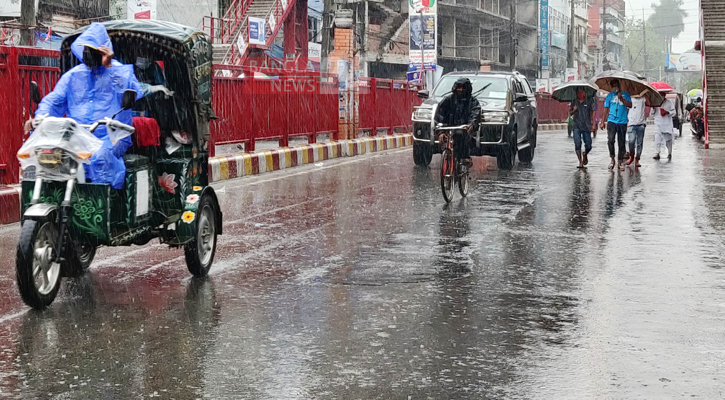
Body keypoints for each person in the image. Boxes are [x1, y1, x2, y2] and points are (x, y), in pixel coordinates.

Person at [25, 23, 170, 189]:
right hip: (76, 136)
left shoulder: (119, 71)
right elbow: (54, 100)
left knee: (99, 157)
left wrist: (109, 67)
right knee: (45, 156)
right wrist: (40, 118)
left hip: (111, 136)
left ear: (103, 51)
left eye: (92, 50)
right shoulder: (73, 76)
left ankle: (103, 205)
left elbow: (133, 93)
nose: (88, 54)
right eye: (85, 49)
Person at [434, 77, 481, 169]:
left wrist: (471, 125)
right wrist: (440, 132)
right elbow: (439, 115)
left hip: (464, 129)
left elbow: (475, 114)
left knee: (463, 139)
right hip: (448, 128)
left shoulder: (473, 102)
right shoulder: (447, 100)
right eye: (459, 87)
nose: (461, 90)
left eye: (463, 88)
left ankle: (465, 158)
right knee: (444, 142)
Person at [600, 79, 632, 171]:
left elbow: (630, 105)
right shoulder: (609, 96)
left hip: (622, 122)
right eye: (613, 86)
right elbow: (606, 108)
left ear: (619, 86)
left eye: (616, 86)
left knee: (621, 142)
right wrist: (602, 121)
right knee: (610, 140)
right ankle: (612, 159)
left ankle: (620, 161)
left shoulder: (626, 95)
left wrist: (621, 98)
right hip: (611, 121)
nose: (615, 88)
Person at [569, 87, 596, 168]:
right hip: (576, 125)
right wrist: (574, 110)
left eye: (582, 91)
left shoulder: (589, 101)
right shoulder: (574, 101)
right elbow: (570, 113)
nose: (581, 93)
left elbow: (592, 113)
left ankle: (585, 154)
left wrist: (594, 124)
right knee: (577, 143)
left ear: (585, 92)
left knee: (588, 145)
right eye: (579, 92)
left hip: (586, 125)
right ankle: (580, 162)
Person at [653, 91, 676, 160]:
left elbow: (674, 112)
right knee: (657, 137)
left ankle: (669, 153)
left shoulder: (669, 102)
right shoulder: (655, 103)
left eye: (662, 95)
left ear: (665, 95)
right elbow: (652, 113)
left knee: (668, 139)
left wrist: (667, 112)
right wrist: (653, 108)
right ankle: (657, 152)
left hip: (667, 123)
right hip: (658, 123)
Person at [626, 93, 647, 167]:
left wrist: (647, 94)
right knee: (631, 141)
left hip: (641, 124)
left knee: (639, 143)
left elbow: (649, 103)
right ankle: (631, 156)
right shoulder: (629, 98)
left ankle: (637, 159)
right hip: (631, 123)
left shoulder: (643, 98)